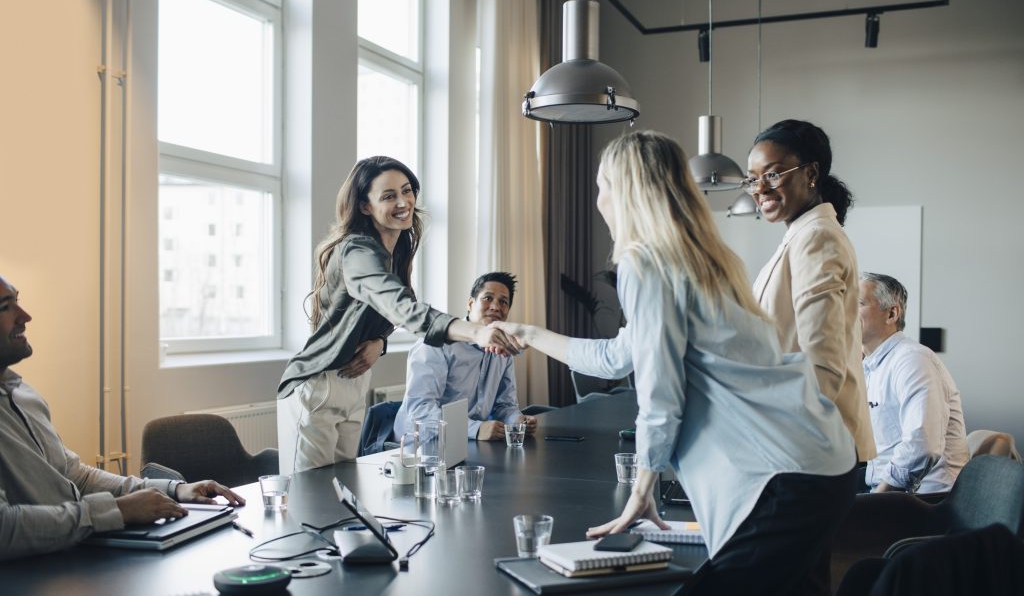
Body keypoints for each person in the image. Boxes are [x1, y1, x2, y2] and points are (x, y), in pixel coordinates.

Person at [496, 131, 858, 595]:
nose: (599, 200)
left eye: (602, 186)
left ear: (626, 192)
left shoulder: (644, 263)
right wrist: (528, 334)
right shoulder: (706, 260)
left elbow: (660, 393)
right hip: (822, 466)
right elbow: (619, 356)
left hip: (782, 478)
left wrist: (642, 486)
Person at [277, 156, 519, 474]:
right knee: (308, 500)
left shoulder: (394, 252)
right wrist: (475, 331)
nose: (404, 202)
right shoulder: (357, 252)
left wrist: (379, 340)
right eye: (389, 195)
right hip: (319, 383)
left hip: (354, 381)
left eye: (407, 191)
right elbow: (400, 306)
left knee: (340, 496)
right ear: (365, 206)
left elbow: (383, 312)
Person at [0, 275, 244, 561]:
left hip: (76, 552)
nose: (25, 316)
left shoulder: (24, 395)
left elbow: (74, 475)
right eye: (6, 306)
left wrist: (174, 490)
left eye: (18, 300)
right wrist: (116, 510)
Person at [746, 119, 876, 462]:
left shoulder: (816, 237)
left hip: (810, 451)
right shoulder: (802, 235)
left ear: (811, 174)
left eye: (773, 174)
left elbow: (823, 368)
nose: (760, 188)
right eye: (753, 178)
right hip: (801, 444)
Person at [392, 272, 537, 442]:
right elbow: (420, 410)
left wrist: (517, 421)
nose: (496, 307)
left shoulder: (504, 350)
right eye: (488, 298)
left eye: (503, 302)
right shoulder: (436, 343)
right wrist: (475, 429)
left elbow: (504, 405)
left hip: (468, 443)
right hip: (421, 445)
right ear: (470, 303)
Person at [859, 272, 969, 493]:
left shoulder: (912, 360)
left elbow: (921, 446)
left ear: (891, 313)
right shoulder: (871, 365)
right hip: (885, 490)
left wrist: (877, 502)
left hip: (925, 498)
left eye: (858, 303)